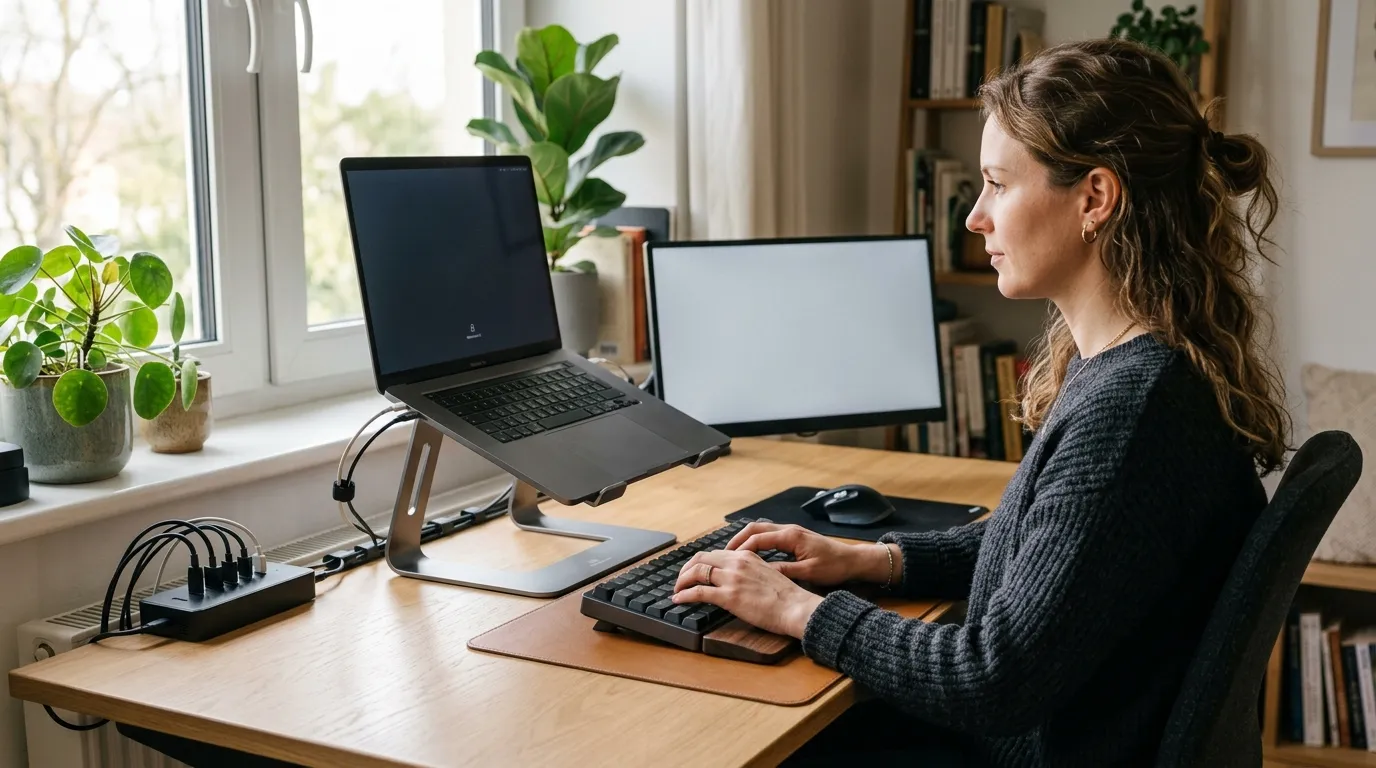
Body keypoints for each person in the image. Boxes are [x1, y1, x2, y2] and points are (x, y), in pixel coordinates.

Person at [671, 37, 1291, 767]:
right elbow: (1044, 554)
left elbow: (991, 678)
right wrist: (870, 560)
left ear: (1095, 197)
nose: (975, 217)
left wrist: (795, 610)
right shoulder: (1136, 372)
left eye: (998, 183)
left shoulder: (1132, 411)